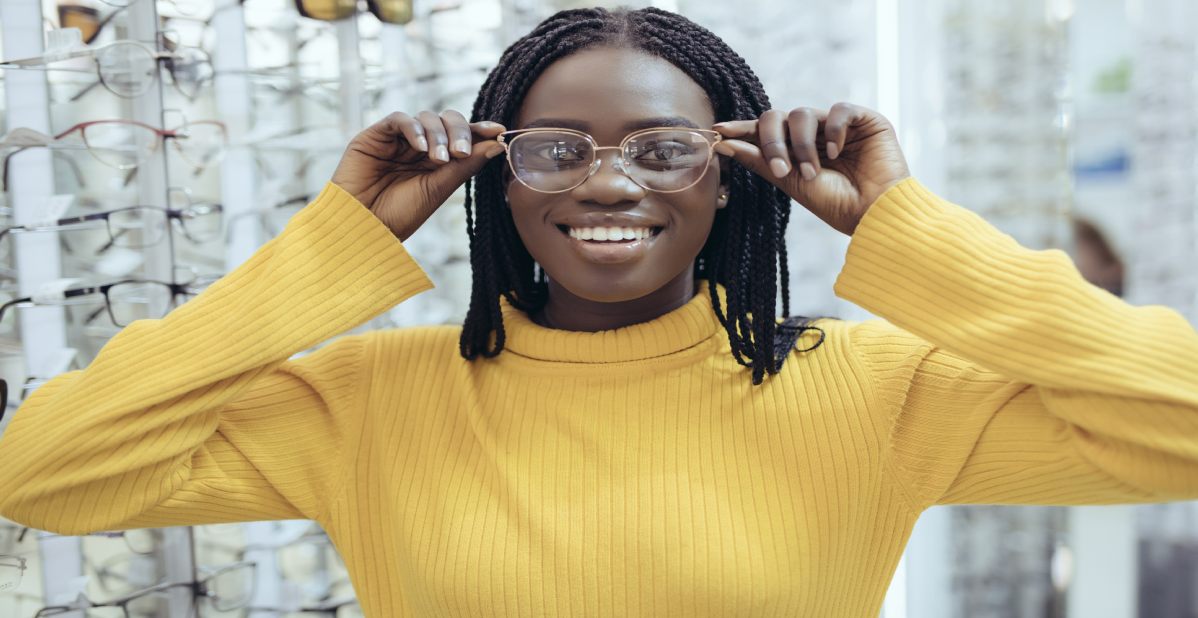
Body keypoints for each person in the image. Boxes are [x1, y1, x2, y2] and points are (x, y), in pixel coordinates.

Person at [1, 7, 1196, 617]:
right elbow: (43, 472)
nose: (608, 183)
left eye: (665, 149)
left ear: (732, 176)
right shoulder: (367, 402)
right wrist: (338, 246)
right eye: (557, 148)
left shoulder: (872, 390)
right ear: (495, 176)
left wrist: (902, 227)